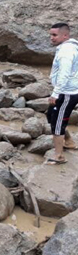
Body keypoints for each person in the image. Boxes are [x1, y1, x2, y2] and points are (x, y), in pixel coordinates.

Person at [46, 23, 78, 165]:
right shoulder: (69, 47)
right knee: (51, 115)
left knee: (57, 123)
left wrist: (55, 93)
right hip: (68, 90)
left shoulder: (66, 51)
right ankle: (69, 142)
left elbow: (64, 74)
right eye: (51, 34)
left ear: (65, 35)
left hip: (66, 93)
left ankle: (59, 156)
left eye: (54, 35)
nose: (51, 38)